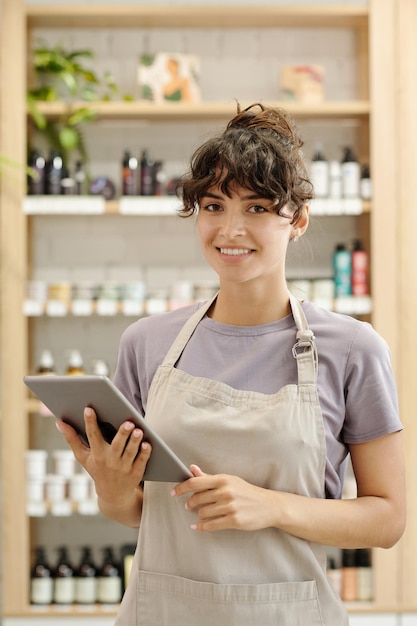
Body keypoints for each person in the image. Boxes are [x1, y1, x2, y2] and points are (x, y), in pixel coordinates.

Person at [56, 103, 406, 625]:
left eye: (258, 208)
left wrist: (272, 506)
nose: (230, 229)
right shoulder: (147, 343)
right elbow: (136, 514)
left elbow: (388, 519)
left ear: (298, 221)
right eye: (214, 205)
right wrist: (111, 489)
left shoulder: (353, 349)